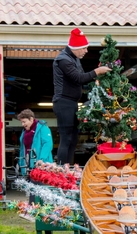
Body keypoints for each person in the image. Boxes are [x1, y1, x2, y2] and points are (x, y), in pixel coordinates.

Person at [52, 27, 111, 165]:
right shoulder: (63, 60)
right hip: (63, 103)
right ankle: (62, 169)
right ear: (76, 47)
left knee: (73, 138)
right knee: (66, 138)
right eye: (84, 48)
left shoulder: (74, 59)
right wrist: (98, 71)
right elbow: (79, 78)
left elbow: (83, 78)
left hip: (71, 103)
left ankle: (69, 167)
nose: (86, 51)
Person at [17, 109, 54, 175]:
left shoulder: (43, 128)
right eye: (21, 122)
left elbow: (47, 144)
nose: (22, 124)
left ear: (31, 119)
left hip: (41, 164)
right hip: (27, 165)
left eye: (24, 122)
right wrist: (21, 163)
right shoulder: (24, 132)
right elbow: (23, 149)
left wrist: (41, 159)